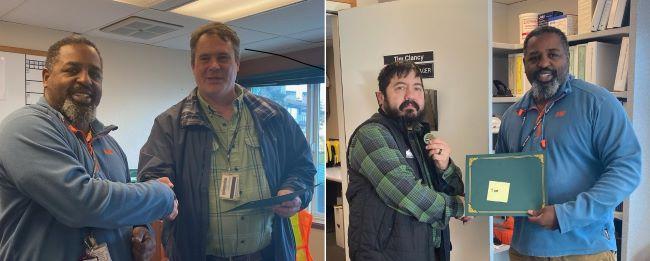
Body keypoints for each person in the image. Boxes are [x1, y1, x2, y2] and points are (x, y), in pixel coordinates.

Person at [137, 22, 316, 261]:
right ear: (193, 65)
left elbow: (302, 167)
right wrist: (160, 194)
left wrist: (294, 192)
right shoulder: (170, 124)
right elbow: (152, 177)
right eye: (205, 58)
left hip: (267, 254)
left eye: (223, 57)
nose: (214, 66)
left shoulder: (274, 117)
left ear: (237, 63)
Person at [0, 35, 178, 260]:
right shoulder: (25, 127)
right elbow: (81, 203)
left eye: (95, 74)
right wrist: (162, 195)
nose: (85, 80)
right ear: (46, 78)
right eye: (72, 70)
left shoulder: (108, 142)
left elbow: (120, 203)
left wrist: (140, 229)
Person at [496, 26, 641, 260]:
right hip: (525, 249)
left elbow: (627, 170)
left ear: (568, 58)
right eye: (534, 57)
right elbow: (501, 176)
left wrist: (566, 215)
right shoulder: (512, 115)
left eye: (553, 54)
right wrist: (480, 204)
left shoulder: (598, 103)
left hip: (584, 250)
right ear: (524, 64)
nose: (544, 63)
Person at [346, 61, 467, 261]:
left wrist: (445, 167)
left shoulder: (420, 135)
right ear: (380, 97)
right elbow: (406, 192)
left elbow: (456, 189)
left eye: (417, 88)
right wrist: (459, 207)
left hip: (426, 251)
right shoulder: (371, 135)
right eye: (400, 87)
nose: (410, 95)